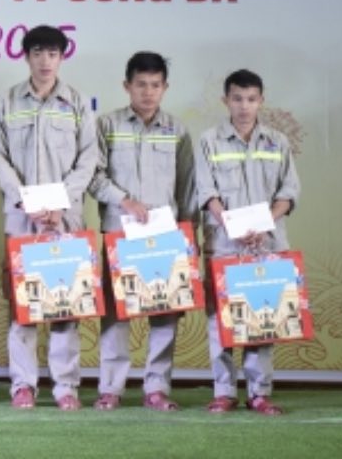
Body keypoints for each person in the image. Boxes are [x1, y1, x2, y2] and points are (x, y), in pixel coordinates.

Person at [0, 24, 98, 411]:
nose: (45, 61)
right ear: (26, 56)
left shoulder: (78, 103)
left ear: (62, 57)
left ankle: (65, 385)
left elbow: (88, 159)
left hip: (65, 219)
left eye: (52, 53)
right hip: (22, 220)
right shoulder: (7, 102)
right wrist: (26, 203)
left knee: (65, 305)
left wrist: (61, 204)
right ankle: (23, 385)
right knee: (24, 306)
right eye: (38, 53)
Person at [88, 51, 194, 412]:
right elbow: (95, 177)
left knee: (164, 314)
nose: (148, 92)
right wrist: (125, 201)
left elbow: (187, 187)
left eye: (155, 85)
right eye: (140, 85)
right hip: (120, 233)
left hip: (165, 237)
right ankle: (111, 389)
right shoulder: (107, 125)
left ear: (165, 88)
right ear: (126, 86)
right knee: (116, 316)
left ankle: (157, 388)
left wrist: (187, 235)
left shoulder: (177, 131)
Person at [194, 69, 300, 416]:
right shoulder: (209, 140)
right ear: (226, 100)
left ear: (261, 101)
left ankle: (259, 392)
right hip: (225, 244)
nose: (244, 106)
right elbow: (206, 192)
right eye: (237, 98)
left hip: (267, 244)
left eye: (251, 99)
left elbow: (288, 193)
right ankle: (224, 392)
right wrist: (233, 225)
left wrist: (264, 224)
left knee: (263, 318)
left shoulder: (277, 142)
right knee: (220, 322)